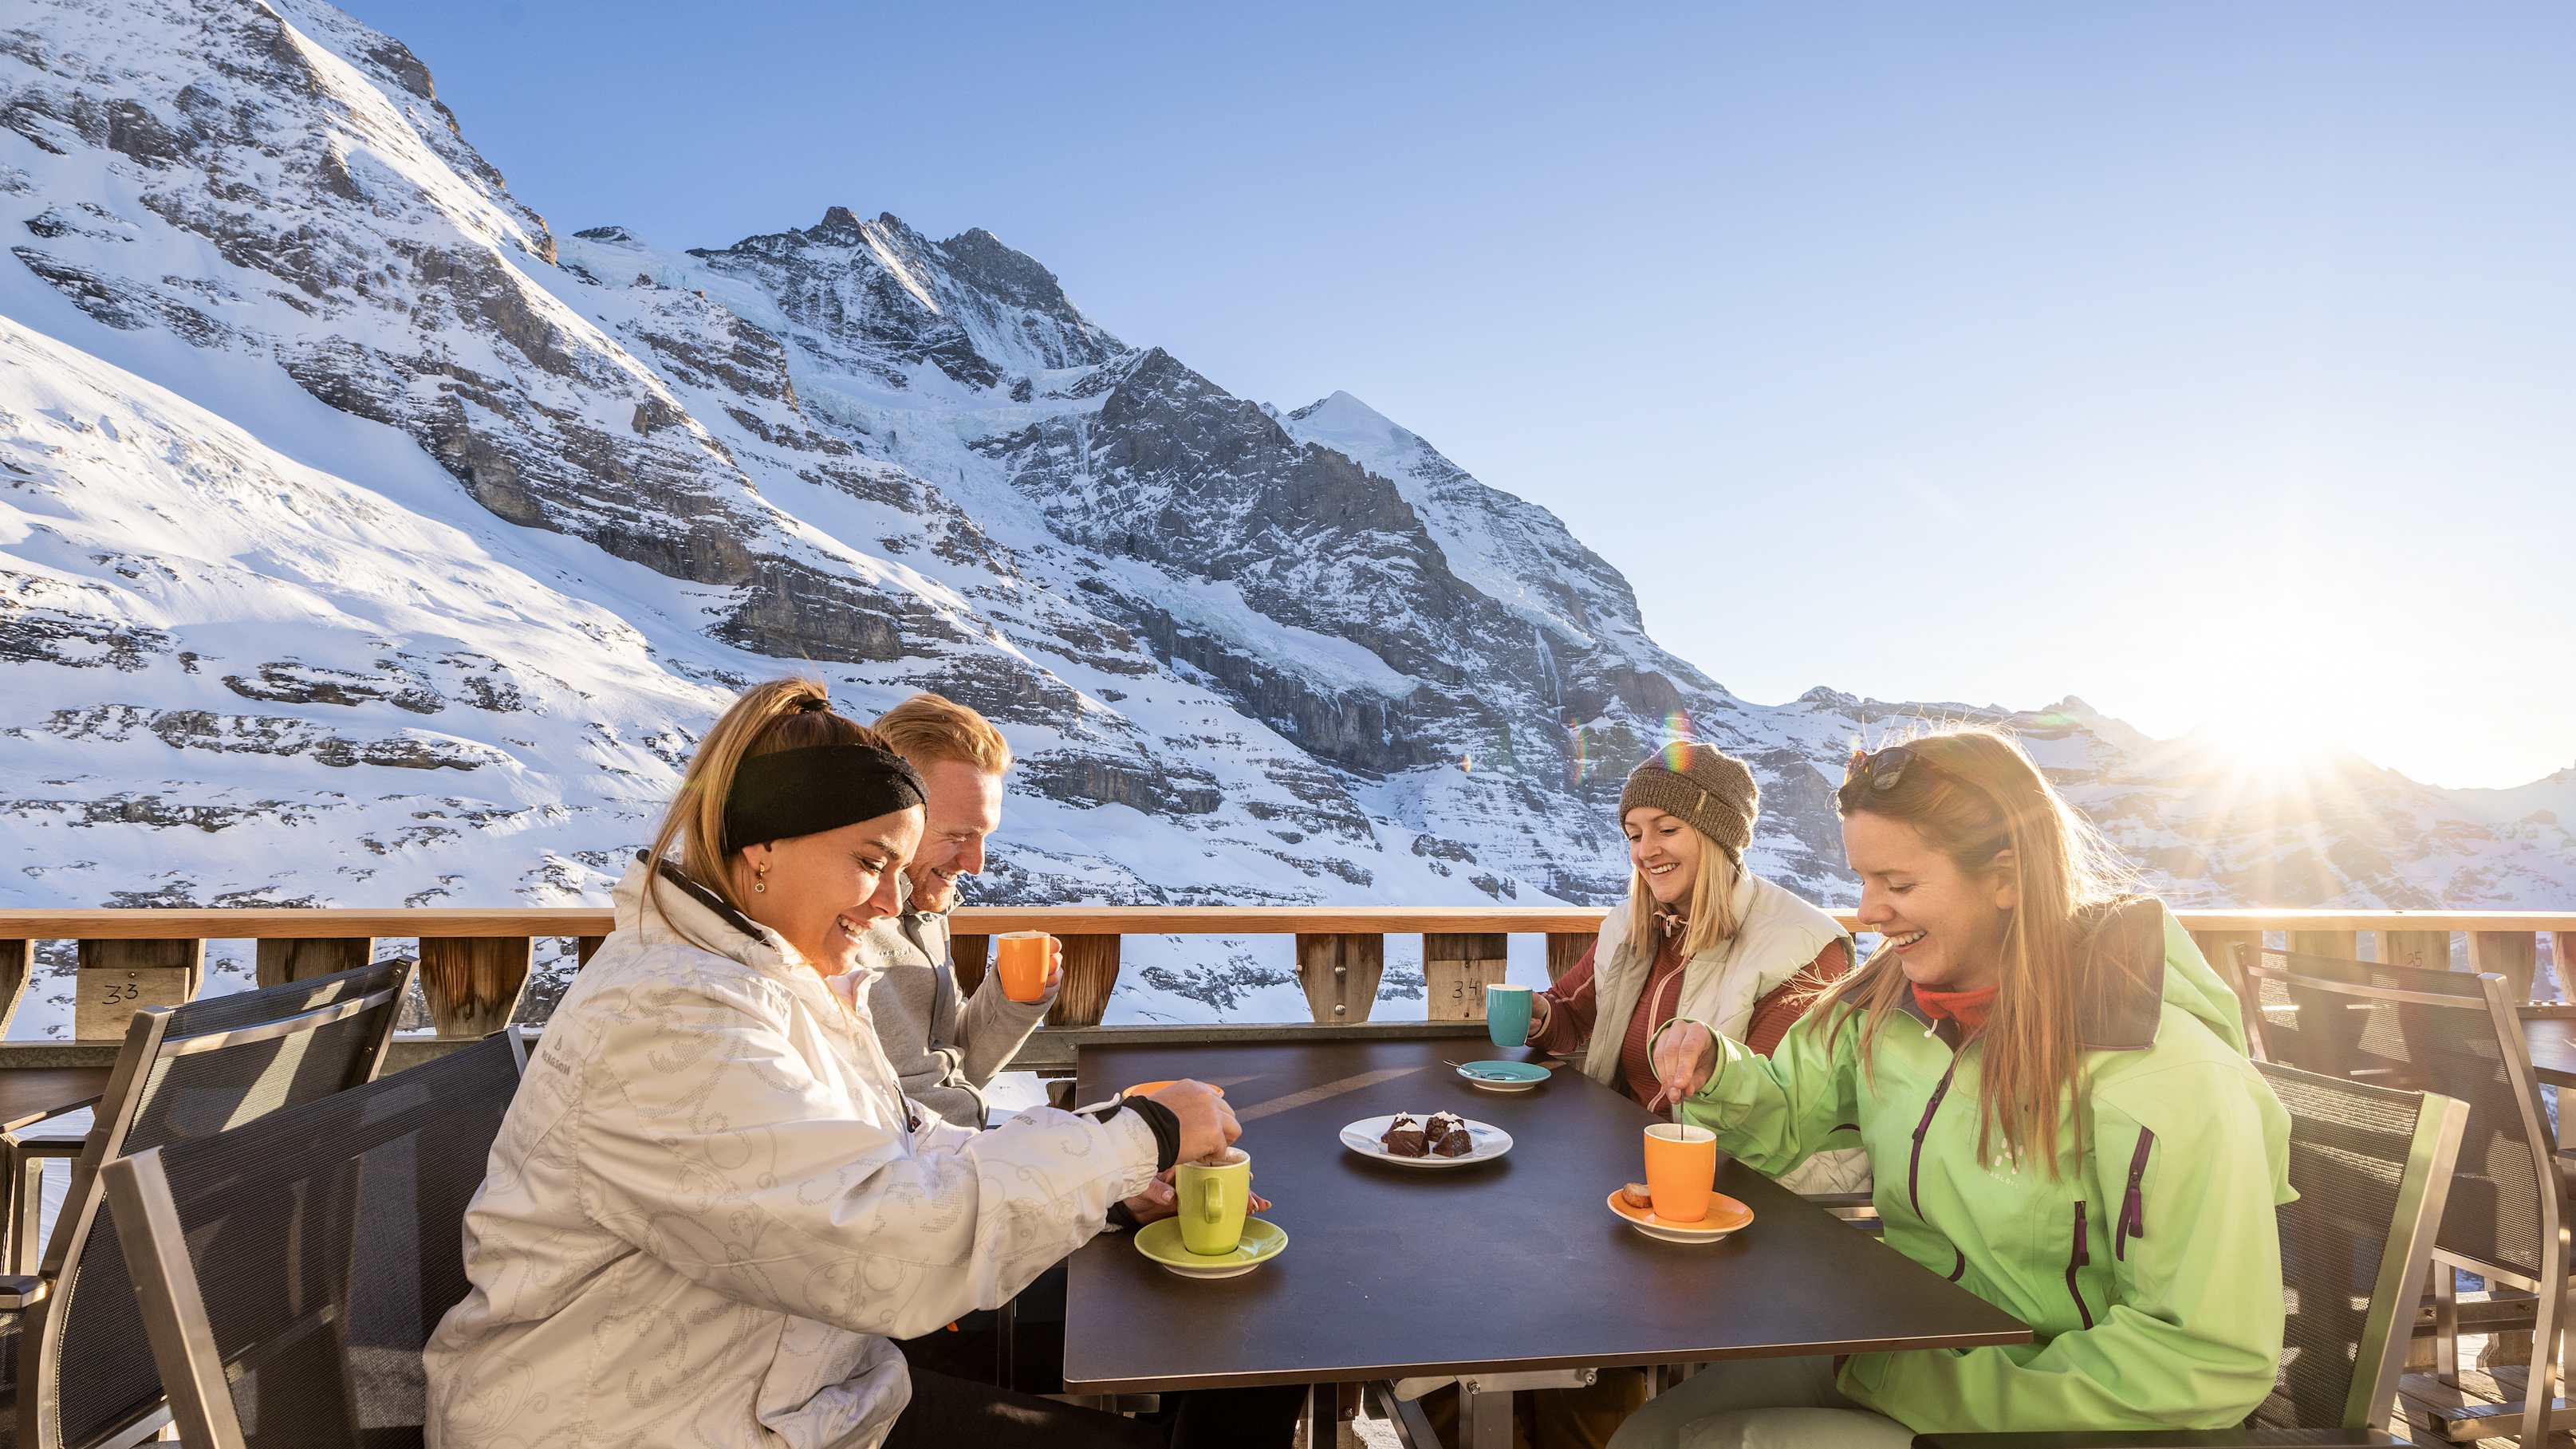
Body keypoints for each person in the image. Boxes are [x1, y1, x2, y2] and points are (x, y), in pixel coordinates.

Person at [424, 679, 1240, 1449]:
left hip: (791, 1397)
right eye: (869, 860)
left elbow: (912, 1141)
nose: (891, 901)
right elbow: (888, 1245)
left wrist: (1113, 1171)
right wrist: (1145, 1130)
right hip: (639, 1420)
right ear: (761, 848)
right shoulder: (670, 1018)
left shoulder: (769, 980)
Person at [1609, 728, 2293, 1449]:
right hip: (1895, 1347)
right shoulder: (1885, 1007)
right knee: (1648, 1436)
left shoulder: (2164, 1076)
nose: (1869, 911)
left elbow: (2208, 1353)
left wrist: (1931, 1385)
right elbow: (1787, 1113)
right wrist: (1719, 1067)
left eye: (1898, 884)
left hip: (2047, 1412)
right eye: (1864, 880)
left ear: (2006, 877)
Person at [1529, 743, 1867, 1196]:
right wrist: (1540, 1015)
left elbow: (1773, 1120)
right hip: (1636, 1163)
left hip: (1757, 1193)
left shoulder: (1801, 946)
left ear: (1717, 836)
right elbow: (1572, 1013)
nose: (1645, 851)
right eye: (1633, 835)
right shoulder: (1635, 923)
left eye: (1666, 829)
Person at [861, 691, 1054, 1129]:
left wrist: (1011, 999)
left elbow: (951, 1075)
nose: (976, 863)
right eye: (958, 835)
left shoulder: (926, 909)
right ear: (893, 812)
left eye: (984, 836)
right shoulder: (843, 922)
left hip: (956, 1152)